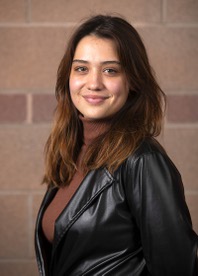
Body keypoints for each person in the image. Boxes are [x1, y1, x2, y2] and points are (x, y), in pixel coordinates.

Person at [35, 14, 198, 276]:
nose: (94, 83)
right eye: (81, 68)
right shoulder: (70, 151)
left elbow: (178, 268)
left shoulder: (142, 161)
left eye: (110, 70)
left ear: (132, 81)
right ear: (68, 77)